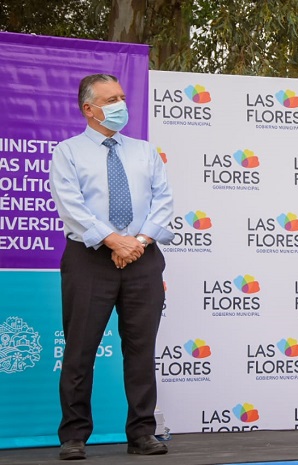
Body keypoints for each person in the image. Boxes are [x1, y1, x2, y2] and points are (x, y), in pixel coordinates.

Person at [49, 74, 174, 460]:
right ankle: (74, 436)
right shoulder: (67, 152)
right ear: (89, 109)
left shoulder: (144, 151)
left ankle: (141, 434)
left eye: (122, 96)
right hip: (89, 260)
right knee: (80, 349)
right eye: (111, 99)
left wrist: (135, 242)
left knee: (140, 350)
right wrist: (111, 239)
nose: (121, 104)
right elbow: (71, 205)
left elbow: (164, 202)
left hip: (142, 257)